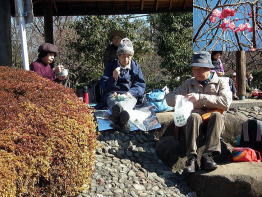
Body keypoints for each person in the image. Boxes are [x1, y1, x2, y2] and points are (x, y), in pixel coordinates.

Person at [166, 51, 232, 173]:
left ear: (209, 69)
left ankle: (208, 156)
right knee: (194, 117)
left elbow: (226, 102)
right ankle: (191, 158)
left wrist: (200, 98)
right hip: (195, 121)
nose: (196, 73)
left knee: (217, 115)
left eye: (199, 69)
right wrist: (178, 99)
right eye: (194, 69)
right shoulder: (189, 83)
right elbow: (169, 98)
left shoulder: (221, 82)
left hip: (214, 121)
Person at [100, 38, 146, 131]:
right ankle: (122, 118)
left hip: (129, 95)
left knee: (128, 103)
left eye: (128, 56)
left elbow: (140, 84)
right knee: (114, 103)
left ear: (131, 56)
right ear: (118, 56)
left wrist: (131, 93)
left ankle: (117, 117)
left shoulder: (134, 66)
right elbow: (103, 84)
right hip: (113, 94)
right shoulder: (111, 65)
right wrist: (113, 78)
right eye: (123, 56)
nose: (126, 59)